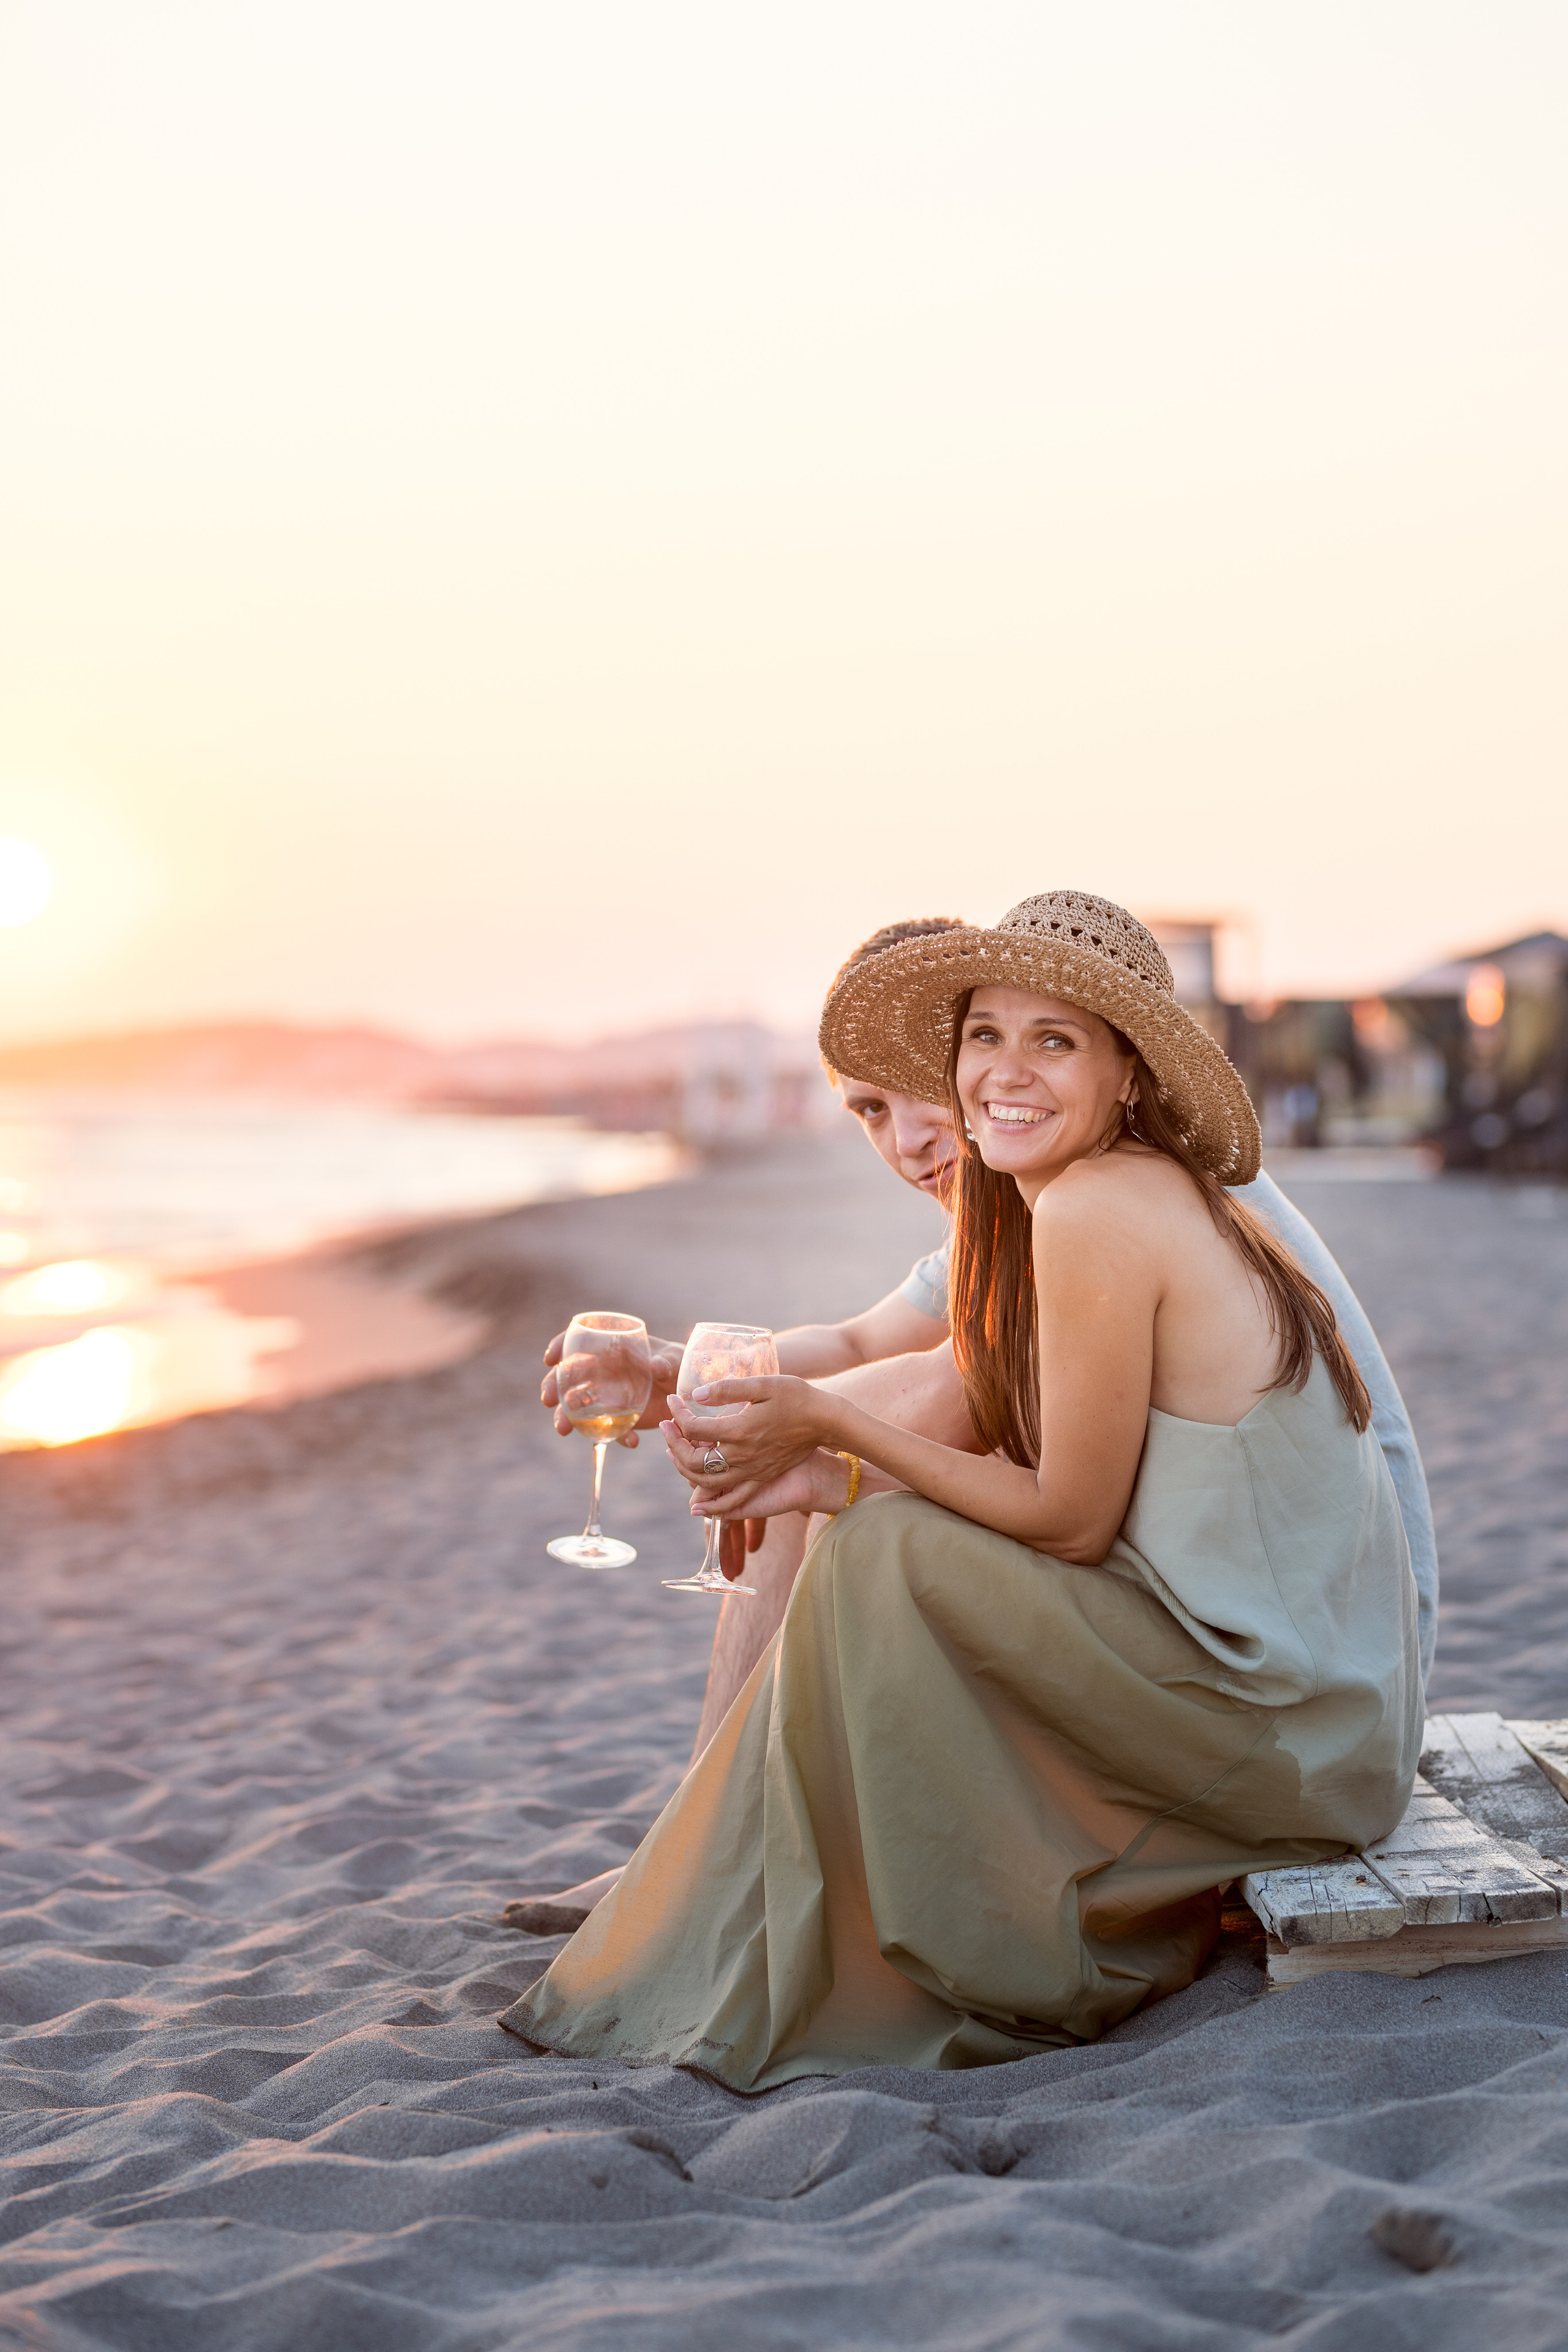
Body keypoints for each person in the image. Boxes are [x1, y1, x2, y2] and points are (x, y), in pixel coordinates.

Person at [501, 891, 1423, 2086]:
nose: (1001, 1073)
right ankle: (731, 1851)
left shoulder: (1092, 1209)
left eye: (1053, 1040)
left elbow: (1061, 1513)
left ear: (1126, 1069)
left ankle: (772, 1873)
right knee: (861, 1522)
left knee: (877, 1547)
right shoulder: (1088, 1192)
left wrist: (823, 1444)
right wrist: (742, 1406)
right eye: (983, 1036)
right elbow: (865, 1346)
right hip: (1318, 1682)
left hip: (1293, 1713)